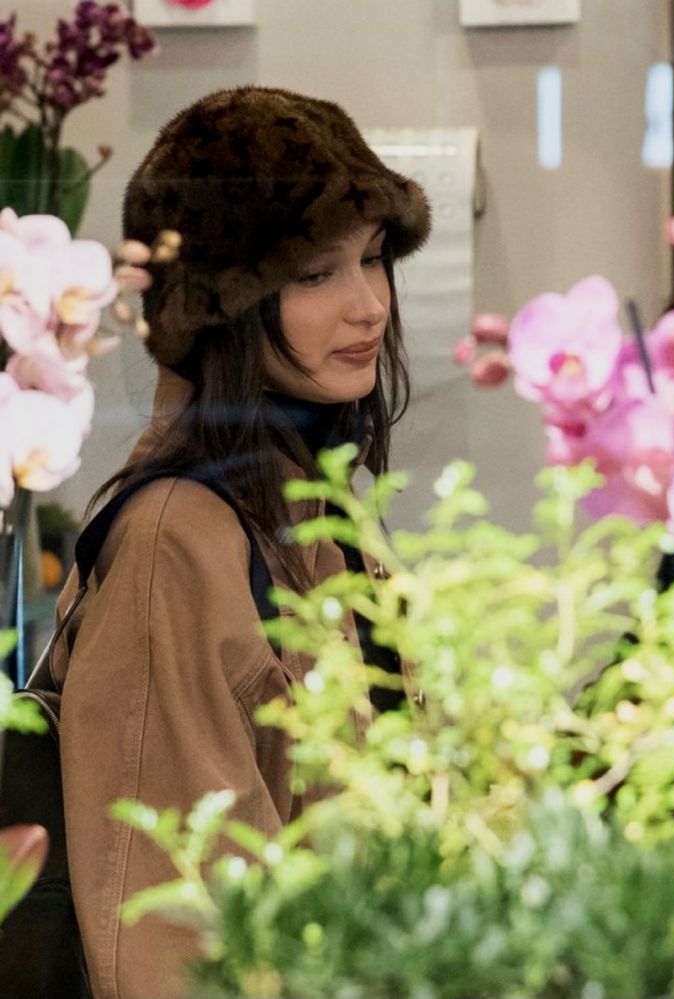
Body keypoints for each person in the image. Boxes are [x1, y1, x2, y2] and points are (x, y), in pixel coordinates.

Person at [52, 86, 431, 999]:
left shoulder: (303, 510)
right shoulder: (174, 543)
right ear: (219, 306)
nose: (368, 305)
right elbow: (170, 941)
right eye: (313, 274)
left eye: (374, 259)